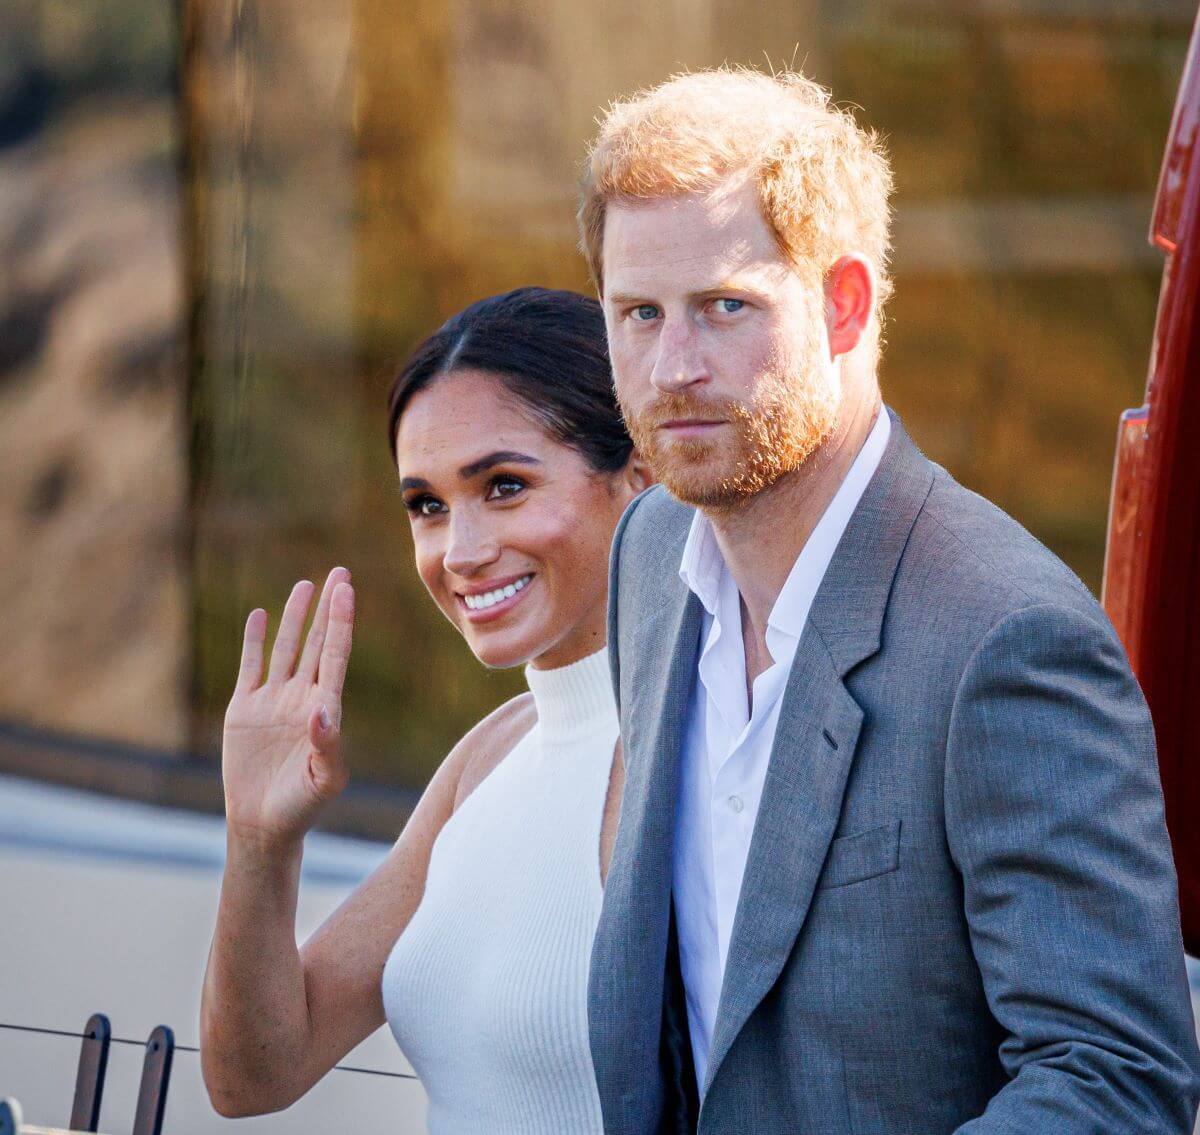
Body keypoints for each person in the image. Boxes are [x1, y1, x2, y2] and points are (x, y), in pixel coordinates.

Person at [580, 68, 1200, 1132]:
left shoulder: (1009, 638)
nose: (671, 366)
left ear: (844, 303)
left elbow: (1115, 1078)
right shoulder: (649, 552)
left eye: (725, 306)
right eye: (638, 312)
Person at [199, 286, 650, 1132]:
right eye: (429, 506)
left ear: (641, 475)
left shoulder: (707, 742)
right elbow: (254, 1074)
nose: (461, 552)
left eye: (506, 486)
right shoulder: (488, 757)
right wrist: (260, 843)